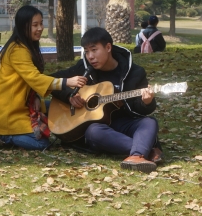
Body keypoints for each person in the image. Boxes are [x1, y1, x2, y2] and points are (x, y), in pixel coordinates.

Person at [51, 27, 162, 173]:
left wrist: (146, 102)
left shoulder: (135, 73)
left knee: (149, 122)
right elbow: (51, 81)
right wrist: (69, 95)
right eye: (86, 51)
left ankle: (136, 157)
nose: (90, 56)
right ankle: (146, 150)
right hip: (99, 128)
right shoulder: (83, 68)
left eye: (94, 50)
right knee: (93, 132)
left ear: (108, 47)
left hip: (124, 123)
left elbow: (139, 110)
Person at [0, 5, 87, 150]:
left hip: (25, 103)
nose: (40, 28)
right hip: (8, 111)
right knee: (41, 144)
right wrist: (67, 82)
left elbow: (29, 80)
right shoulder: (17, 50)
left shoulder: (27, 46)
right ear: (23, 26)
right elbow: (35, 78)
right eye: (35, 25)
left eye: (41, 23)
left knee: (60, 107)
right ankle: (0, 135)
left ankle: (73, 136)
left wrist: (36, 95)